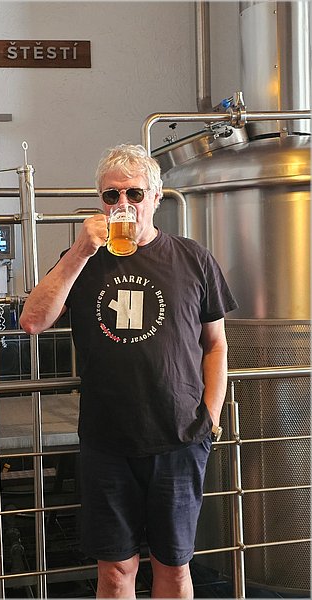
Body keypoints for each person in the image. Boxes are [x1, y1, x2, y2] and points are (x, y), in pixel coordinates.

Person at [19, 143, 238, 598]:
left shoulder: (193, 258)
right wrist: (78, 252)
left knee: (173, 568)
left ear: (155, 198)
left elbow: (215, 344)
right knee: (116, 571)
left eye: (134, 193)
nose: (123, 204)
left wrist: (211, 419)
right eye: (111, 195)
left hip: (179, 437)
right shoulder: (82, 261)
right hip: (108, 440)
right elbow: (33, 321)